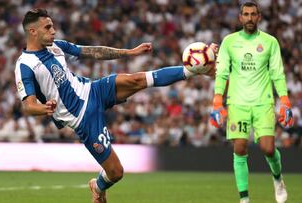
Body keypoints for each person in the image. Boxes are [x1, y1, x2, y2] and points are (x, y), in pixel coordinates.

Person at [15, 8, 216, 203]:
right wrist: (45, 108)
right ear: (32, 31)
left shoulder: (56, 45)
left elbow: (93, 52)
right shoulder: (25, 65)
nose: (53, 31)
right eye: (48, 27)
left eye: (52, 26)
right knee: (116, 172)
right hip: (82, 118)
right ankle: (98, 186)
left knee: (137, 79)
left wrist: (129, 52)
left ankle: (194, 71)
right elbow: (29, 106)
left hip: (93, 90)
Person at [209, 1, 293, 203]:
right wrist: (217, 101)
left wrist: (285, 101)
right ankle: (244, 199)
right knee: (239, 148)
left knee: (268, 148)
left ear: (259, 17)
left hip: (263, 102)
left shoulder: (270, 42)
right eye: (245, 14)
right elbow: (222, 73)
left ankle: (278, 178)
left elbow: (277, 74)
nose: (249, 18)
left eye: (253, 14)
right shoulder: (229, 42)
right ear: (240, 17)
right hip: (237, 104)